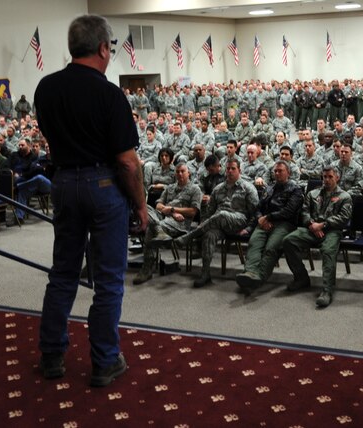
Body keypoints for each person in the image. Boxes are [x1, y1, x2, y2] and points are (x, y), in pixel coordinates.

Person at [34, 15, 147, 388]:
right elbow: (128, 162)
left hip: (64, 182)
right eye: (111, 48)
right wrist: (141, 205)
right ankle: (104, 360)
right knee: (109, 279)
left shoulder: (46, 88)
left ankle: (52, 355)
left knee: (63, 273)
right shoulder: (109, 94)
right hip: (102, 186)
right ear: (103, 48)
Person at [175, 159, 258, 288]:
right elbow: (209, 212)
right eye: (228, 168)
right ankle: (205, 273)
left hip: (238, 222)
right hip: (218, 223)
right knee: (209, 234)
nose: (229, 171)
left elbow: (255, 213)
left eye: (233, 169)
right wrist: (206, 222)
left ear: (239, 170)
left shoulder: (248, 188)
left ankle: (190, 236)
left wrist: (248, 229)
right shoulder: (218, 189)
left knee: (222, 214)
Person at [282, 165, 353, 308]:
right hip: (312, 228)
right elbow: (304, 212)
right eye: (324, 177)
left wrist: (323, 225)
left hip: (332, 230)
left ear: (337, 178)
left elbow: (344, 218)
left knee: (327, 251)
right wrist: (311, 224)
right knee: (288, 240)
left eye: (330, 177)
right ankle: (301, 278)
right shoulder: (312, 194)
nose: (326, 180)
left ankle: (327, 291)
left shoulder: (344, 196)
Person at [235, 161, 304, 295]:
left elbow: (288, 211)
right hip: (265, 222)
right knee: (254, 243)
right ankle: (249, 272)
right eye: (275, 171)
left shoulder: (295, 189)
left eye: (280, 171)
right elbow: (258, 208)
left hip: (285, 224)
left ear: (288, 173)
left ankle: (259, 277)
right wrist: (261, 218)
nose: (277, 173)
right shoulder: (270, 187)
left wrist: (268, 217)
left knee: (271, 248)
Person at [133, 163, 202, 284]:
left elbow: (192, 212)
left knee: (151, 228)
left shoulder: (195, 189)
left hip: (180, 222)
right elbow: (158, 205)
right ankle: (158, 230)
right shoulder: (169, 187)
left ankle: (147, 269)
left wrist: (172, 210)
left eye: (182, 171)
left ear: (188, 173)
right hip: (164, 216)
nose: (180, 174)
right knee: (145, 207)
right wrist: (170, 211)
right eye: (177, 172)